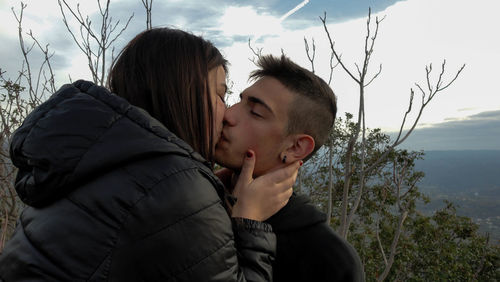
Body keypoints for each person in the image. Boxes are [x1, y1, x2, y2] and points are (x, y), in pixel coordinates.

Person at [0, 28, 301, 281]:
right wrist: (249, 222)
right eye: (221, 95)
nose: (228, 113)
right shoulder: (174, 188)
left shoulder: (95, 158)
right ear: (181, 95)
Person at [215, 54, 365, 281]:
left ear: (296, 147)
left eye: (255, 112)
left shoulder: (328, 261)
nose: (228, 114)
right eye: (239, 101)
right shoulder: (198, 201)